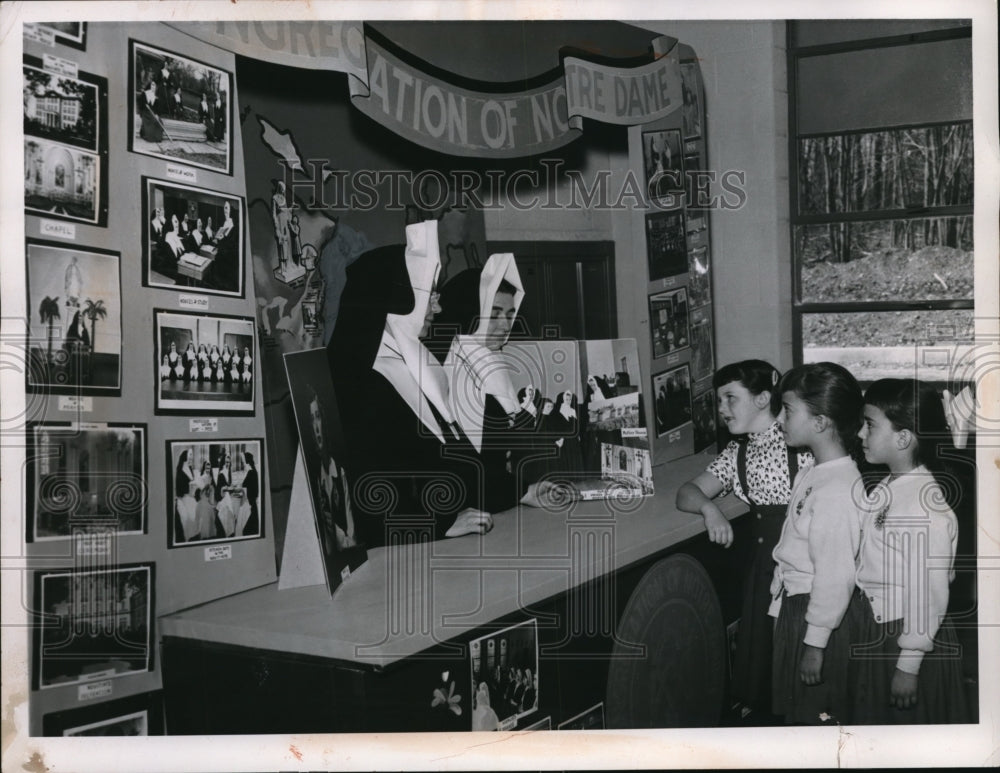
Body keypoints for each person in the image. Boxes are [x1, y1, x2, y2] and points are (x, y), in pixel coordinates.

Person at [326, 220, 493, 547]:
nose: (439, 307)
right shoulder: (358, 384)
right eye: (430, 294)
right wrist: (440, 523)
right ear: (398, 298)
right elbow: (367, 499)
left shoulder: (415, 366)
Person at [675, 360, 813, 716]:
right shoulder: (737, 453)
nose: (721, 409)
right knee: (767, 665)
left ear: (763, 398)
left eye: (731, 398)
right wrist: (710, 509)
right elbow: (687, 492)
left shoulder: (800, 445)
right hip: (763, 572)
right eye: (718, 401)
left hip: (805, 571)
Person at [847, 379, 967, 724]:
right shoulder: (890, 484)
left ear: (903, 438)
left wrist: (909, 664)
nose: (860, 434)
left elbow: (927, 594)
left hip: (910, 636)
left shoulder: (924, 506)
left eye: (869, 425)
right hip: (884, 626)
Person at [769, 362, 864, 725]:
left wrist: (814, 644)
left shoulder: (839, 488)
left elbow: (835, 576)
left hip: (820, 618)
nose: (779, 419)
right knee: (799, 717)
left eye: (788, 410)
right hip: (798, 611)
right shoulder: (813, 472)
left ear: (821, 422)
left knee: (817, 722)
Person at [432, 253, 556, 510]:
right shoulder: (456, 369)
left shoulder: (487, 359)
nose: (504, 325)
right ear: (471, 312)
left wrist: (523, 489)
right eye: (494, 313)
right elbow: (467, 472)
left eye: (510, 314)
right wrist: (520, 490)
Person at [307, 388, 358, 552]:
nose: (316, 427)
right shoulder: (317, 479)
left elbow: (352, 528)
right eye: (312, 420)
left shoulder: (340, 470)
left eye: (318, 417)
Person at [173, 449, 198, 542]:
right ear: (185, 457)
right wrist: (190, 487)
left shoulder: (190, 469)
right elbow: (180, 489)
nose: (191, 458)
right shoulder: (180, 471)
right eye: (190, 455)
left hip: (192, 498)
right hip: (184, 499)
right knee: (188, 519)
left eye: (192, 456)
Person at [241, 451, 260, 536]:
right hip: (253, 498)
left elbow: (244, 484)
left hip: (250, 499)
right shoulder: (254, 471)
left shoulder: (250, 472)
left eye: (244, 461)